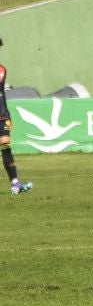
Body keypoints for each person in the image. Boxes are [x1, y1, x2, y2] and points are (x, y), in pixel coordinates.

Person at [0, 48, 27, 195]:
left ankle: (15, 183)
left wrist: (7, 115)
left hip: (2, 116)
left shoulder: (2, 70)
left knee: (5, 146)